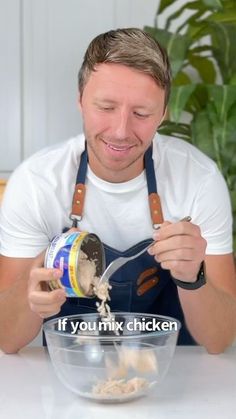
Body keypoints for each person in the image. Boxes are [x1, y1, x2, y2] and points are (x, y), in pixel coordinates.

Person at [0, 28, 235, 354]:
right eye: (106, 107)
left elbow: (220, 339)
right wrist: (30, 295)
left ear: (163, 114)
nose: (121, 131)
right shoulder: (37, 183)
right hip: (68, 378)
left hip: (175, 378)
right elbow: (6, 340)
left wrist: (193, 277)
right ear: (80, 100)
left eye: (141, 113)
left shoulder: (199, 180)